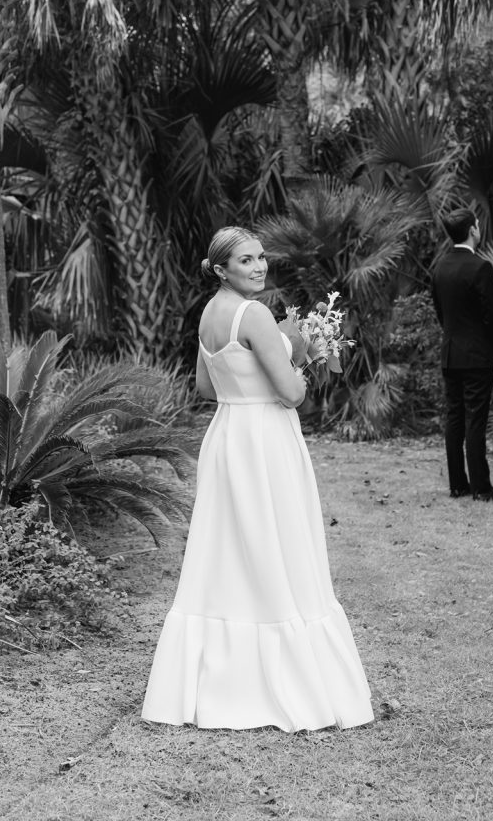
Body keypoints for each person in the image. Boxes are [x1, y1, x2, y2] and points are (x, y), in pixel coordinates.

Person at [142, 226, 373, 732]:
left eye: (261, 257)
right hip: (265, 439)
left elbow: (206, 385)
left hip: (227, 436)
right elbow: (292, 395)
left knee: (227, 550)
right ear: (221, 269)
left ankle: (214, 680)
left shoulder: (208, 315)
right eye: (246, 260)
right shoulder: (257, 314)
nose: (260, 266)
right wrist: (304, 359)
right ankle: (283, 673)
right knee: (278, 541)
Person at [431, 208, 493, 501]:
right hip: (477, 356)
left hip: (450, 354)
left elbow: (441, 313)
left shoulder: (440, 268)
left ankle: (458, 485)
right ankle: (481, 488)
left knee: (454, 419)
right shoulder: (480, 267)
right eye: (477, 225)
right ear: (473, 230)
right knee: (475, 419)